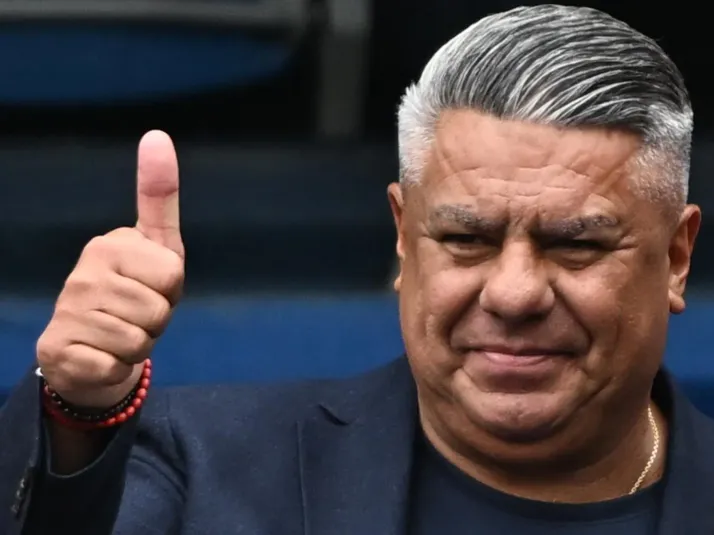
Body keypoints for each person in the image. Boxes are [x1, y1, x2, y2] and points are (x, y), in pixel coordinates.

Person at [1, 4, 713, 534]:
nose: (514, 292)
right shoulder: (202, 466)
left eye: (575, 245)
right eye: (466, 237)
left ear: (676, 258)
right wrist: (77, 411)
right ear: (404, 237)